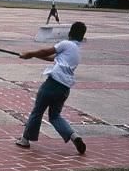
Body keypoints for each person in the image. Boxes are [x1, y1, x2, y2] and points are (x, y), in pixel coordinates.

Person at [15, 21, 87, 154]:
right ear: (82, 37)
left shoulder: (66, 43)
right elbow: (52, 58)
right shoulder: (76, 51)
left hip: (52, 84)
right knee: (55, 116)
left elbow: (45, 51)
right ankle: (74, 136)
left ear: (70, 33)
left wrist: (29, 53)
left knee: (37, 111)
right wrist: (32, 56)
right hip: (64, 88)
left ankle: (25, 140)